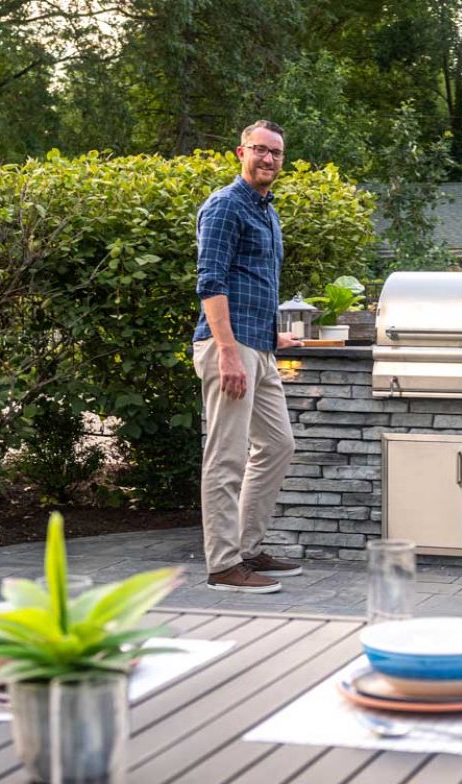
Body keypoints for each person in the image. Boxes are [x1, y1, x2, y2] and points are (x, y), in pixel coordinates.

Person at [192, 119, 303, 594]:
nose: (268, 159)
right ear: (241, 153)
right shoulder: (224, 207)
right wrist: (228, 352)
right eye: (260, 150)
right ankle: (222, 565)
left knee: (278, 445)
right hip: (229, 350)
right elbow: (210, 283)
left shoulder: (268, 212)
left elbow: (254, 286)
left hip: (260, 347)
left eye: (276, 153)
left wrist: (275, 338)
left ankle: (248, 547)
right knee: (226, 458)